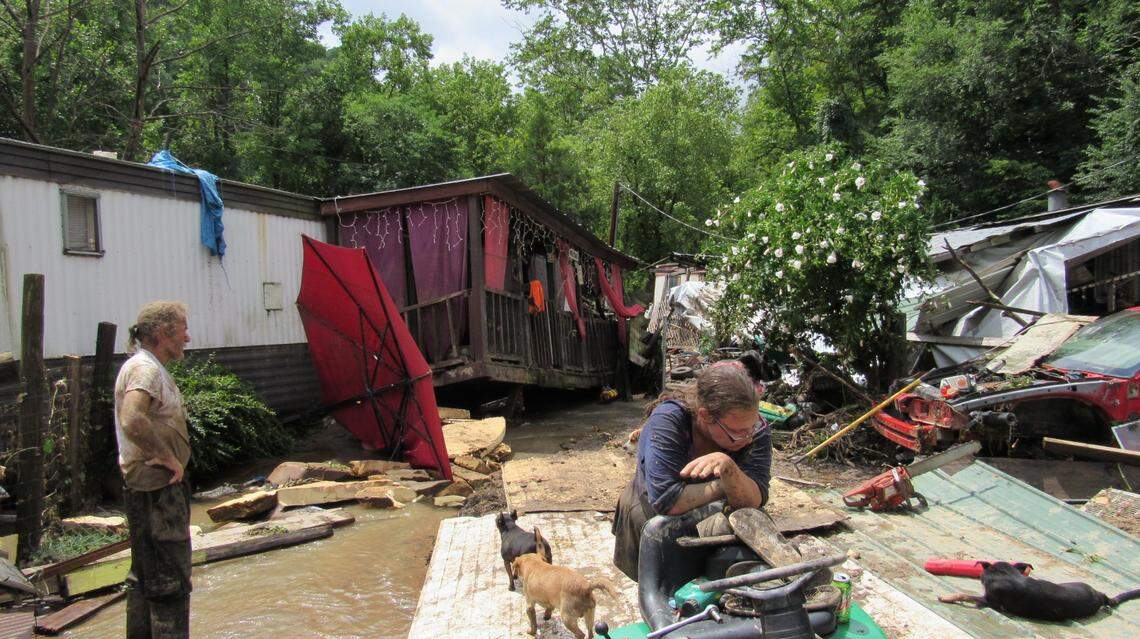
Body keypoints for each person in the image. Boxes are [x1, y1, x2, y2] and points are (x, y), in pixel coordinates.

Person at [612, 362, 771, 581]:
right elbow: (667, 500)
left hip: (708, 515)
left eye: (750, 428)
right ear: (705, 416)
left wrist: (729, 468)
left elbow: (756, 498)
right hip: (651, 511)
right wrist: (725, 484)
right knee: (659, 586)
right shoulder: (669, 421)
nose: (748, 438)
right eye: (736, 433)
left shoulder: (753, 429)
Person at [114, 301, 193, 638]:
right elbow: (132, 418)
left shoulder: (146, 367)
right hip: (158, 490)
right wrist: (166, 456)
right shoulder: (145, 369)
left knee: (145, 578)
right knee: (169, 581)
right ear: (163, 333)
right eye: (182, 329)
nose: (187, 337)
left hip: (149, 489)